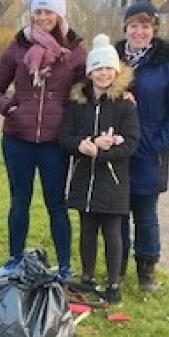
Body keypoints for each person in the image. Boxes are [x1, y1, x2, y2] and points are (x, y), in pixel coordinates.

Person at [0, 0, 87, 281]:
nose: (43, 17)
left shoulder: (75, 52)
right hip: (18, 139)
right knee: (20, 201)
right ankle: (15, 259)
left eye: (49, 11)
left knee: (57, 204)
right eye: (38, 11)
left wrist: (118, 93)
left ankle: (65, 266)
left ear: (60, 14)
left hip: (55, 142)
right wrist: (9, 108)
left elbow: (90, 87)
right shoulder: (17, 47)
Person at [115, 0, 169, 292]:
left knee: (145, 214)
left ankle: (146, 270)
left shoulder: (167, 64)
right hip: (117, 148)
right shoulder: (112, 58)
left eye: (145, 26)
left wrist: (160, 143)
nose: (139, 32)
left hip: (150, 151)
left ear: (154, 29)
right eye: (134, 26)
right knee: (117, 213)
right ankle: (115, 267)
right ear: (125, 28)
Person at [59, 34, 139, 304]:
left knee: (113, 233)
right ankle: (88, 278)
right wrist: (85, 145)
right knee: (87, 230)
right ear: (89, 72)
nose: (103, 73)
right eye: (98, 68)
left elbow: (131, 143)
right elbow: (65, 137)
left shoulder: (125, 105)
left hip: (114, 182)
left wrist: (103, 153)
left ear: (115, 72)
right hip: (84, 178)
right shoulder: (77, 102)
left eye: (108, 68)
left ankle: (114, 283)